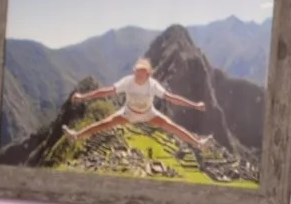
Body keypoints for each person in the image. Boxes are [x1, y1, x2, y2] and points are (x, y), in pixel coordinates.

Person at [67, 56, 212, 150]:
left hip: (149, 113)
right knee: (105, 123)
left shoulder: (153, 85)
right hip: (128, 112)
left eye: (140, 72)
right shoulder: (127, 81)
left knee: (172, 126)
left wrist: (194, 105)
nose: (137, 74)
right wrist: (83, 97)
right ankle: (75, 136)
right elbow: (105, 92)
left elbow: (171, 98)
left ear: (148, 74)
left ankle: (199, 143)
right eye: (136, 71)